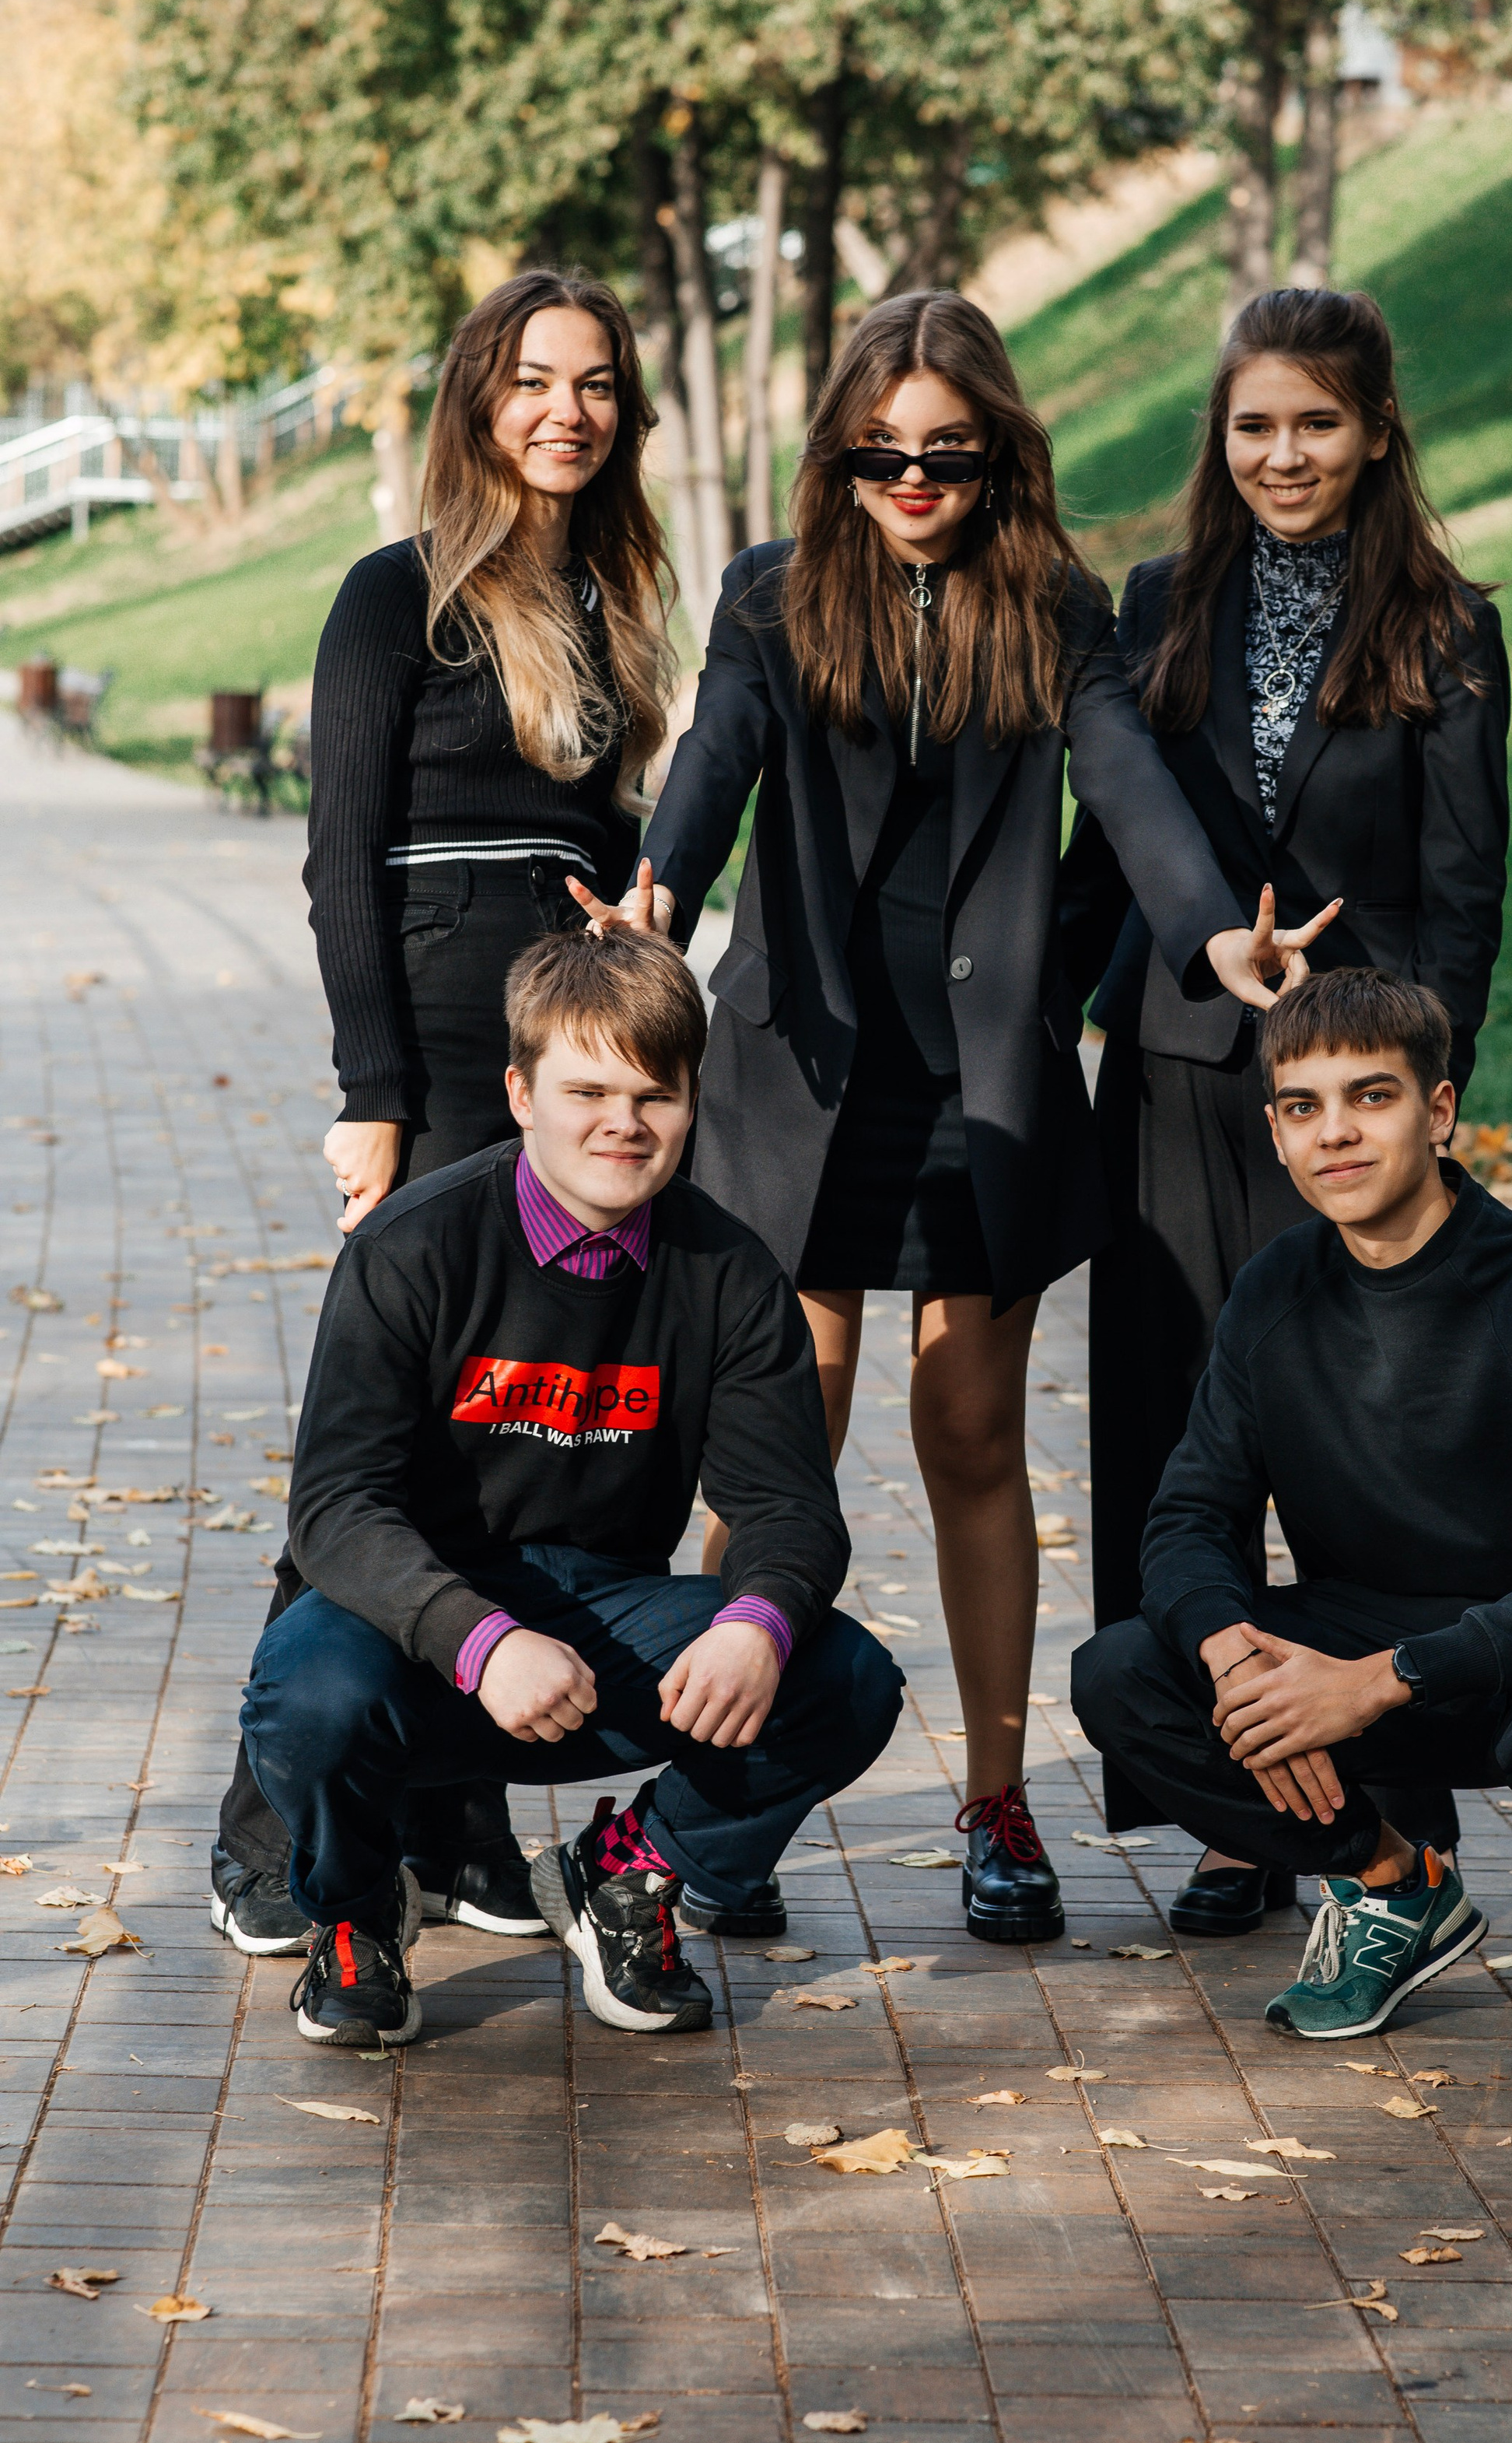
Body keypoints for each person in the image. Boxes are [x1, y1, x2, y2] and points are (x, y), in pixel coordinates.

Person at [579, 289, 1325, 1948]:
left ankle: (998, 1805)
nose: (911, 479)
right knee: (787, 1454)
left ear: (994, 458)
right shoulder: (774, 598)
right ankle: (727, 1802)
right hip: (800, 1089)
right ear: (837, 454)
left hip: (976, 1093)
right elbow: (713, 758)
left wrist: (1213, 933)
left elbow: (1124, 786)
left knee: (974, 1443)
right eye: (879, 451)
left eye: (946, 453)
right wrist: (658, 891)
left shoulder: (1050, 603)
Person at [209, 268, 675, 1959]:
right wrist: (370, 1100)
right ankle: (267, 1830)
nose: (568, 409)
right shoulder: (391, 597)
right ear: (479, 402)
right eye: (534, 381)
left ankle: (451, 1811)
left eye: (598, 383)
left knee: (509, 1434)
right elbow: (341, 866)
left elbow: (619, 834)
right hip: (435, 1056)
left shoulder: (617, 598)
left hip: (564, 1062)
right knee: (387, 1439)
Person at [238, 927, 901, 2048]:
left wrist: (759, 1620)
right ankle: (355, 1919)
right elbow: (336, 1509)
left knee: (842, 1675)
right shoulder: (409, 1249)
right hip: (419, 1633)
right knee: (306, 1691)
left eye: (656, 1095)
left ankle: (628, 1873)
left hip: (607, 1626)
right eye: (586, 1089)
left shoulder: (731, 1277)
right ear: (519, 1092)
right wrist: (478, 1638)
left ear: (693, 1103)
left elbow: (790, 1510)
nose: (622, 1124)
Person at [1064, 286, 1509, 1938]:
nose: (1282, 453)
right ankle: (1238, 1804)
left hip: (1352, 1100)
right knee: (1174, 1434)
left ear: (1375, 431)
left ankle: (1384, 1790)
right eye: (1253, 423)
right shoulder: (1157, 601)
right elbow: (1105, 842)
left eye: (1314, 421)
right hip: (1178, 1071)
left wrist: (1424, 1111)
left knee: (1358, 1449)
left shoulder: (1445, 626)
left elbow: (1462, 893)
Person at [1069, 966, 1512, 2077]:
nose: (1337, 1134)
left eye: (1371, 1097)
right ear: (1275, 1132)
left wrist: (1377, 1678)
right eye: (1303, 1107)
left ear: (1440, 1110)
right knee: (1126, 1670)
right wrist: (1234, 1661)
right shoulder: (1275, 1291)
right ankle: (1392, 1887)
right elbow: (1186, 1518)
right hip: (1365, 1642)